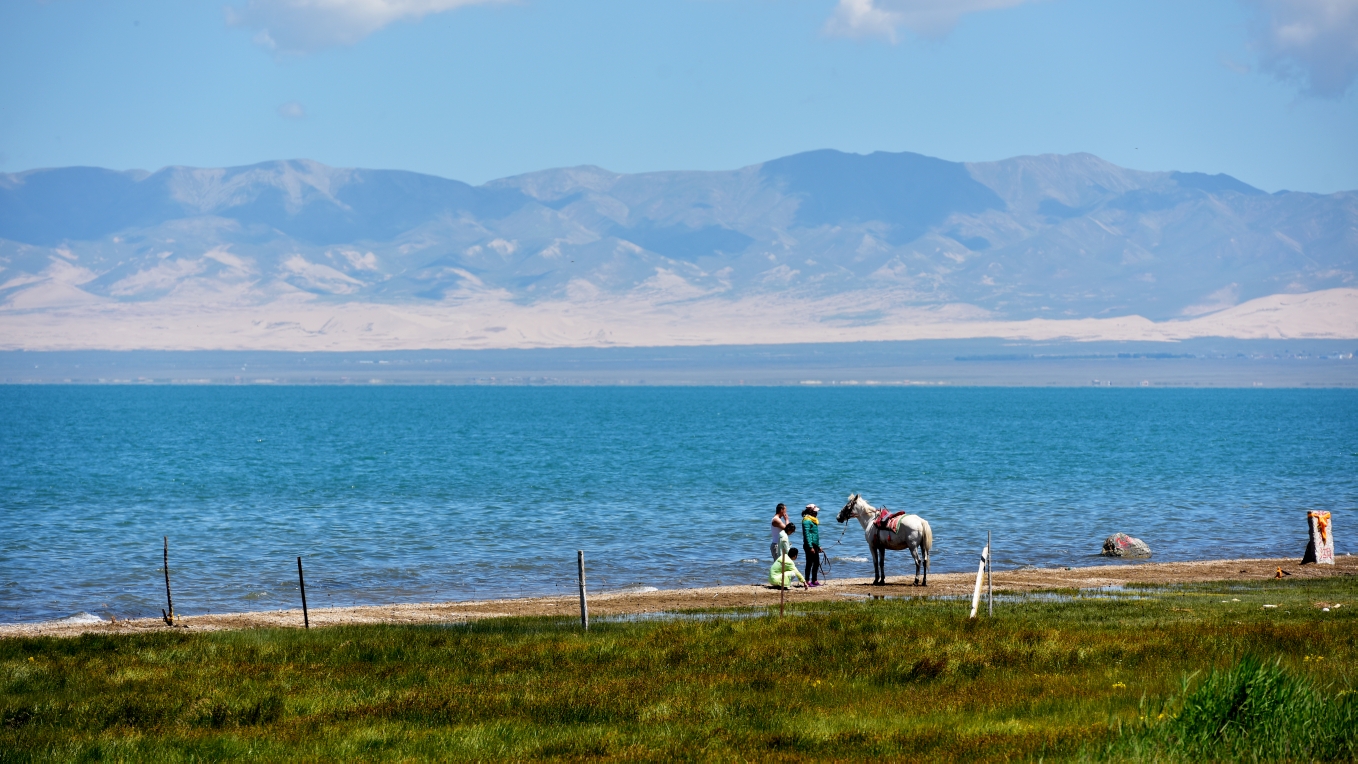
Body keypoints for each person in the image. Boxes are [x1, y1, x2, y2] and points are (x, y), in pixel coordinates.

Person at [801, 504, 824, 587]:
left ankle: (814, 580)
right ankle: (807, 581)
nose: (817, 513)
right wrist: (810, 547)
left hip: (815, 545)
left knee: (817, 563)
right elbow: (807, 535)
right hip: (809, 546)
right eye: (815, 512)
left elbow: (815, 535)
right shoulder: (806, 521)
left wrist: (819, 546)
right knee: (809, 563)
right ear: (811, 512)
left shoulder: (813, 520)